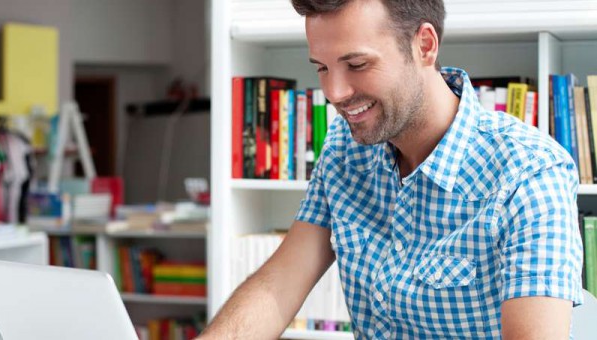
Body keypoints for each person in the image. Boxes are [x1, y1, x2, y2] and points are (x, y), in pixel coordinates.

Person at [198, 0, 584, 339]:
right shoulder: (343, 149)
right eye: (322, 68)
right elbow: (276, 287)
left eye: (356, 64)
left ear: (425, 46)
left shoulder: (529, 173)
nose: (334, 92)